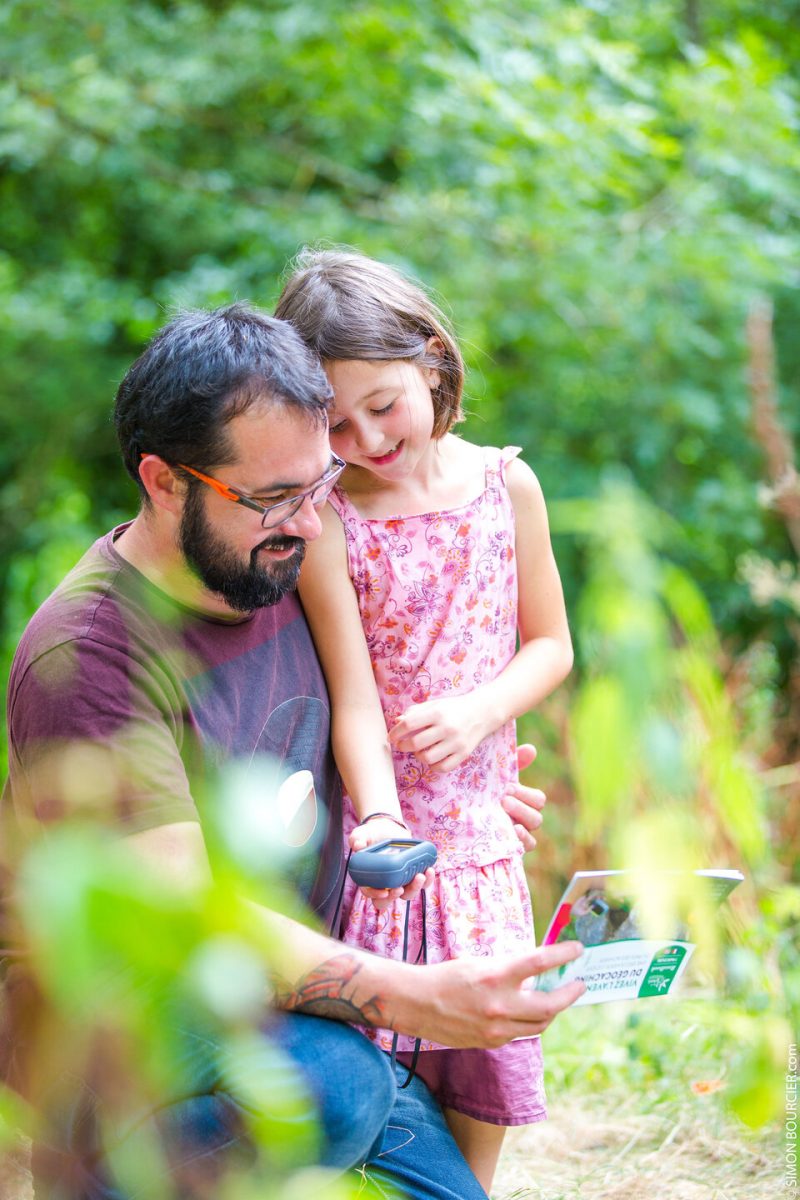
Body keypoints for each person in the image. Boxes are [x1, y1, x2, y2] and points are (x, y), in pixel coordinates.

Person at [1, 302, 584, 1199]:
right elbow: (191, 922)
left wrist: (459, 796)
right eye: (275, 497)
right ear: (163, 481)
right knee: (339, 1085)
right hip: (137, 1035)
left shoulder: (276, 564)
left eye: (322, 486)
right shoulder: (89, 656)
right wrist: (419, 997)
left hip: (297, 1006)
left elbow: (380, 721)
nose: (310, 524)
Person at [276, 249, 574, 1194]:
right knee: (382, 1085)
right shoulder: (331, 523)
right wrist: (380, 813)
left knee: (481, 1077)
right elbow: (354, 696)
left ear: (435, 364)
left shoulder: (505, 488)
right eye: (337, 422)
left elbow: (551, 645)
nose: (366, 437)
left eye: (384, 404)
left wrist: (483, 707)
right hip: (390, 857)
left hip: (484, 846)